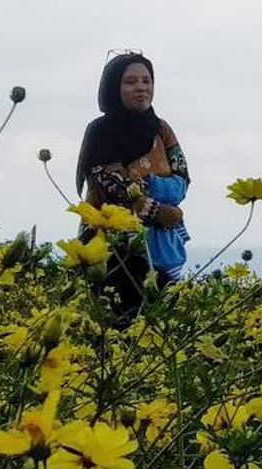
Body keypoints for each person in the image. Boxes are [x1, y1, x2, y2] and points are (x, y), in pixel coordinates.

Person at [75, 52, 190, 325]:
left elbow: (182, 179)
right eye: (130, 82)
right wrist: (161, 211)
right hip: (111, 248)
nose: (141, 88)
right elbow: (109, 184)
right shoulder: (100, 131)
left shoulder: (162, 129)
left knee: (160, 323)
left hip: (161, 249)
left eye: (147, 81)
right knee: (118, 322)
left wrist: (151, 186)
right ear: (113, 87)